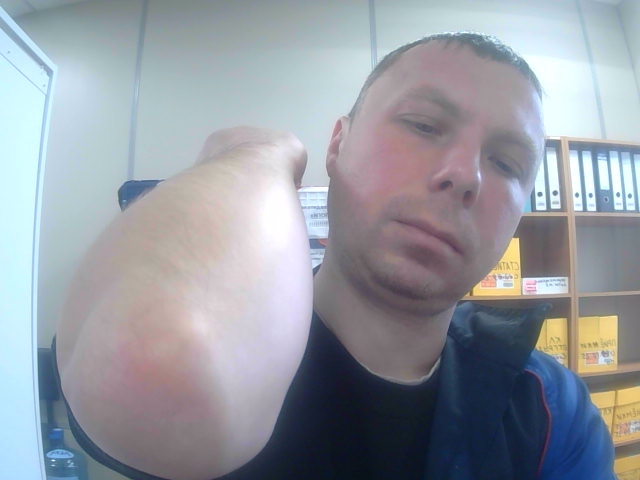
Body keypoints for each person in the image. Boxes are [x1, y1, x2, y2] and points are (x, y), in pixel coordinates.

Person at [54, 32, 616, 479]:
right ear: (337, 143)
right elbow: (144, 366)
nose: (465, 175)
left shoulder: (552, 406)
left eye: (507, 164)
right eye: (423, 126)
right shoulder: (239, 346)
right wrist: (258, 154)